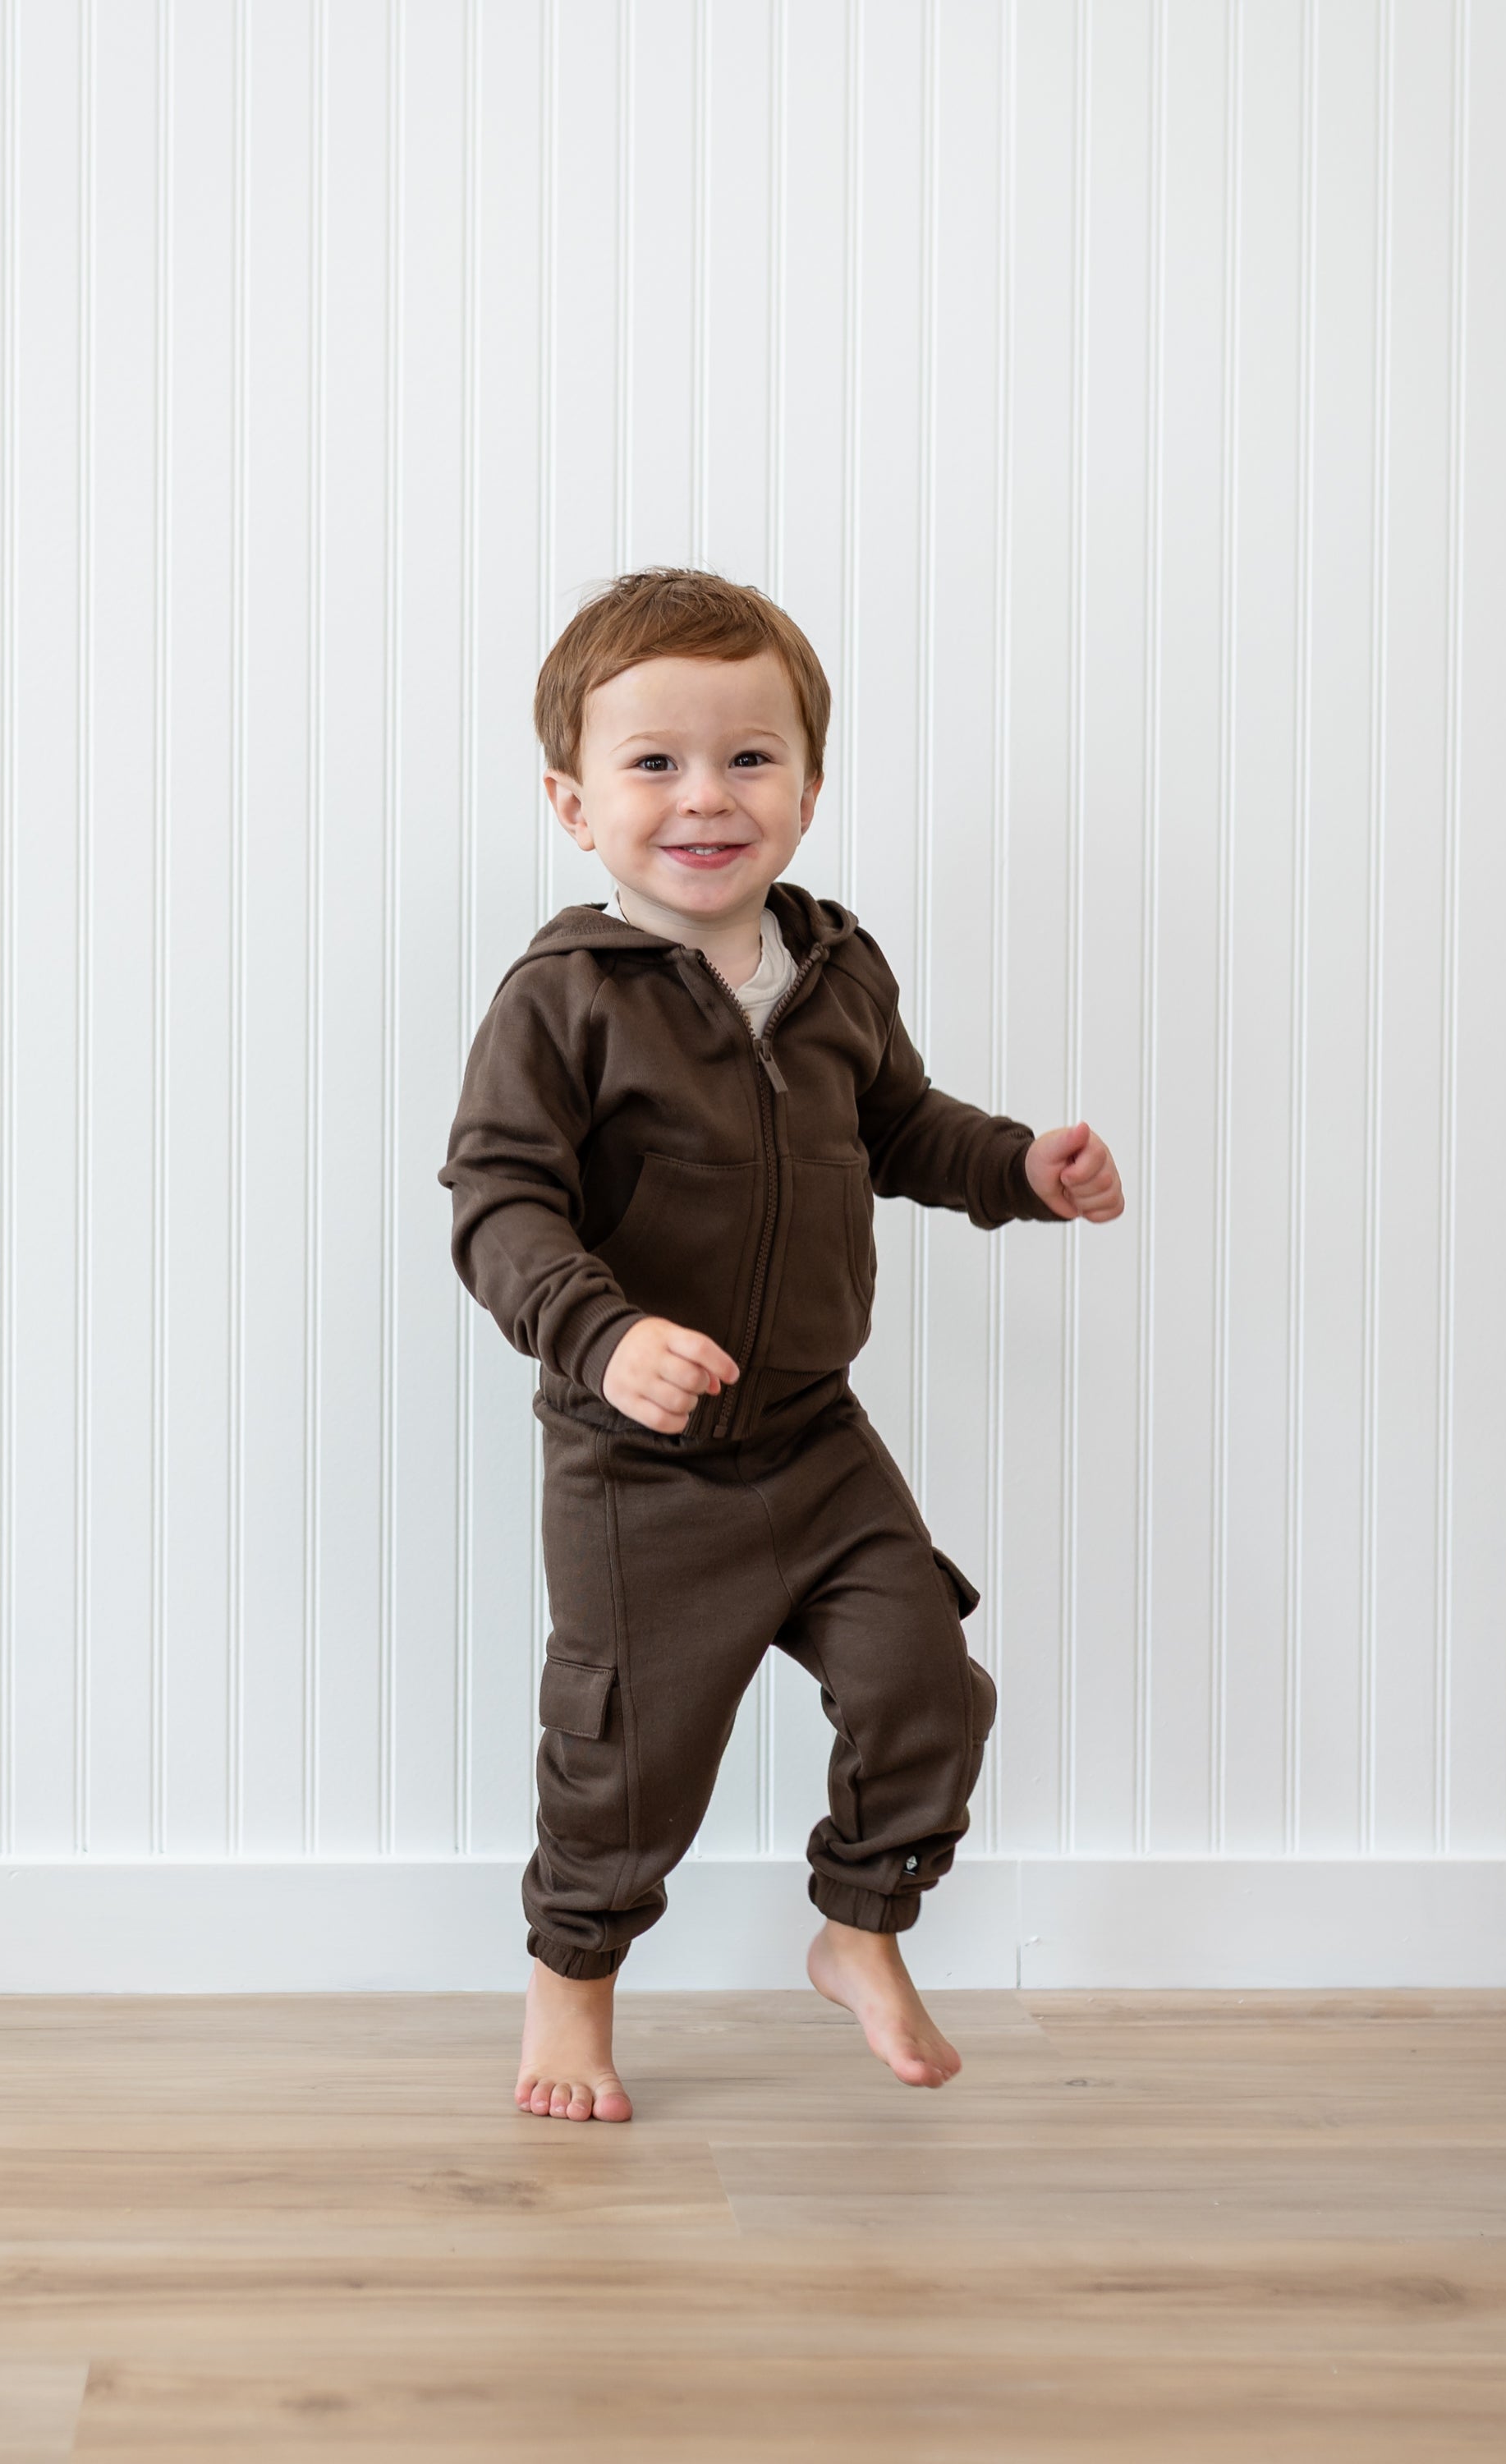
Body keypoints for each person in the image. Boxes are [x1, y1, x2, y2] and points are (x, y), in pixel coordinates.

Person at [440, 568, 1125, 2122]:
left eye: (750, 758)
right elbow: (497, 1203)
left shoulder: (834, 971)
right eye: (655, 763)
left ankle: (858, 1927)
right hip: (639, 1469)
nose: (707, 797)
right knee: (627, 1764)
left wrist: (1020, 1170)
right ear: (573, 801)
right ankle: (570, 1996)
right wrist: (602, 1338)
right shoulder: (564, 1003)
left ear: (809, 788)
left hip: (817, 1439)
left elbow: (903, 1129)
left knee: (926, 1687)